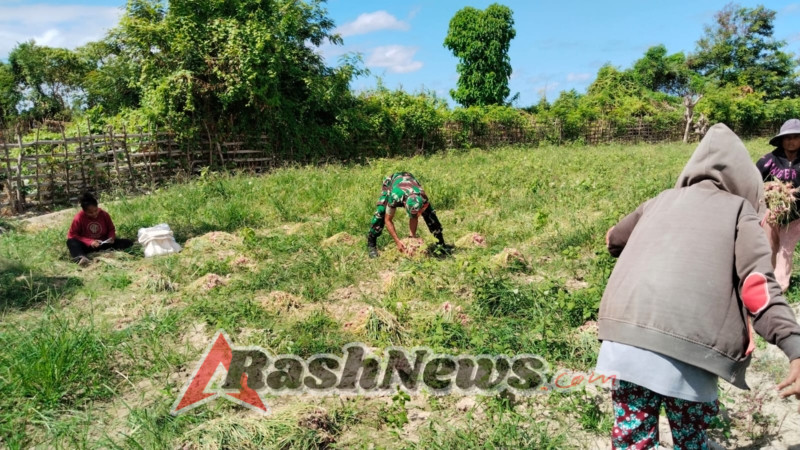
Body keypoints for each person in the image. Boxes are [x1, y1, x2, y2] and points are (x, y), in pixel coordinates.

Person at [596, 124, 800, 449]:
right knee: (691, 437)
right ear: (746, 178)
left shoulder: (659, 200)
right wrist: (794, 346)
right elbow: (756, 286)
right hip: (691, 347)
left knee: (632, 437)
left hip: (624, 338)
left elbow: (613, 239)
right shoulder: (740, 211)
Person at [757, 118, 800, 292]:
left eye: (796, 137)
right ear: (781, 139)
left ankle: (781, 286)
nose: (791, 141)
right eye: (787, 137)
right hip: (771, 212)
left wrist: (794, 192)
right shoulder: (769, 159)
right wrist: (769, 187)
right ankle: (767, 281)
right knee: (769, 246)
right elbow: (754, 180)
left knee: (786, 248)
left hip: (796, 214)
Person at [366, 172, 447, 258]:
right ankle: (371, 243)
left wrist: (412, 238)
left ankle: (440, 244)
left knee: (430, 215)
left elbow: (414, 217)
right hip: (392, 182)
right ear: (405, 204)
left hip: (409, 179)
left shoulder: (422, 197)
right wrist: (397, 241)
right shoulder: (395, 197)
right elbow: (388, 220)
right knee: (381, 211)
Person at [67, 192, 133, 266]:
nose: (94, 214)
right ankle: (81, 258)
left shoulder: (104, 215)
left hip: (103, 243)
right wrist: (90, 242)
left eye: (95, 211)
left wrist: (111, 237)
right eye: (90, 213)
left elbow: (111, 228)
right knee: (71, 242)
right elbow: (72, 235)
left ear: (97, 207)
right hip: (87, 246)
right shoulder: (79, 218)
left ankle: (108, 252)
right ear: (84, 211)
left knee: (127, 242)